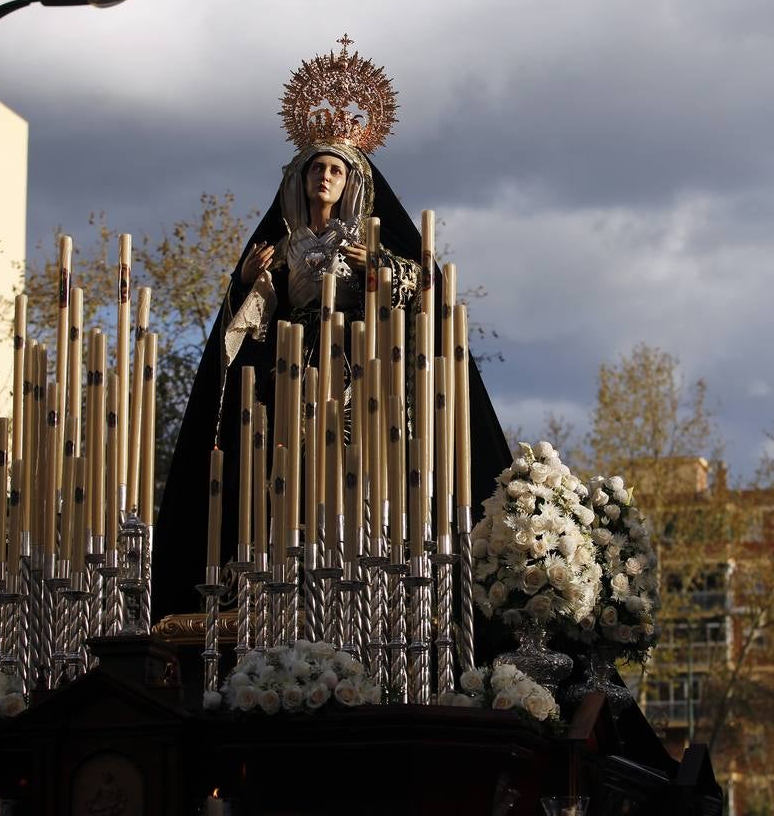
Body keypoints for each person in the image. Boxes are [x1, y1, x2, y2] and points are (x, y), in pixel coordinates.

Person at [152, 40, 511, 618]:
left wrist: (379, 268)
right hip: (291, 371)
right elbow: (246, 324)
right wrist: (246, 282)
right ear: (301, 178)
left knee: (356, 464)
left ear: (351, 182)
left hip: (355, 369)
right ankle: (286, 567)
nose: (324, 176)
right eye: (317, 168)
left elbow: (426, 289)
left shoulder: (366, 242)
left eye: (335, 170)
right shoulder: (283, 247)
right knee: (286, 467)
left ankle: (363, 561)